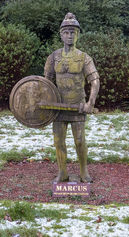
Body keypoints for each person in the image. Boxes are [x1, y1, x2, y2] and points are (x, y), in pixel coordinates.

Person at [44, 13, 100, 183]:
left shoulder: (84, 58)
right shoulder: (53, 57)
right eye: (66, 32)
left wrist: (90, 103)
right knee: (58, 142)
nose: (69, 35)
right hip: (58, 108)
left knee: (80, 141)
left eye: (73, 32)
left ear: (78, 35)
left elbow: (95, 80)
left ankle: (84, 171)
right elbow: (45, 83)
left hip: (78, 107)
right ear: (61, 35)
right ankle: (63, 172)